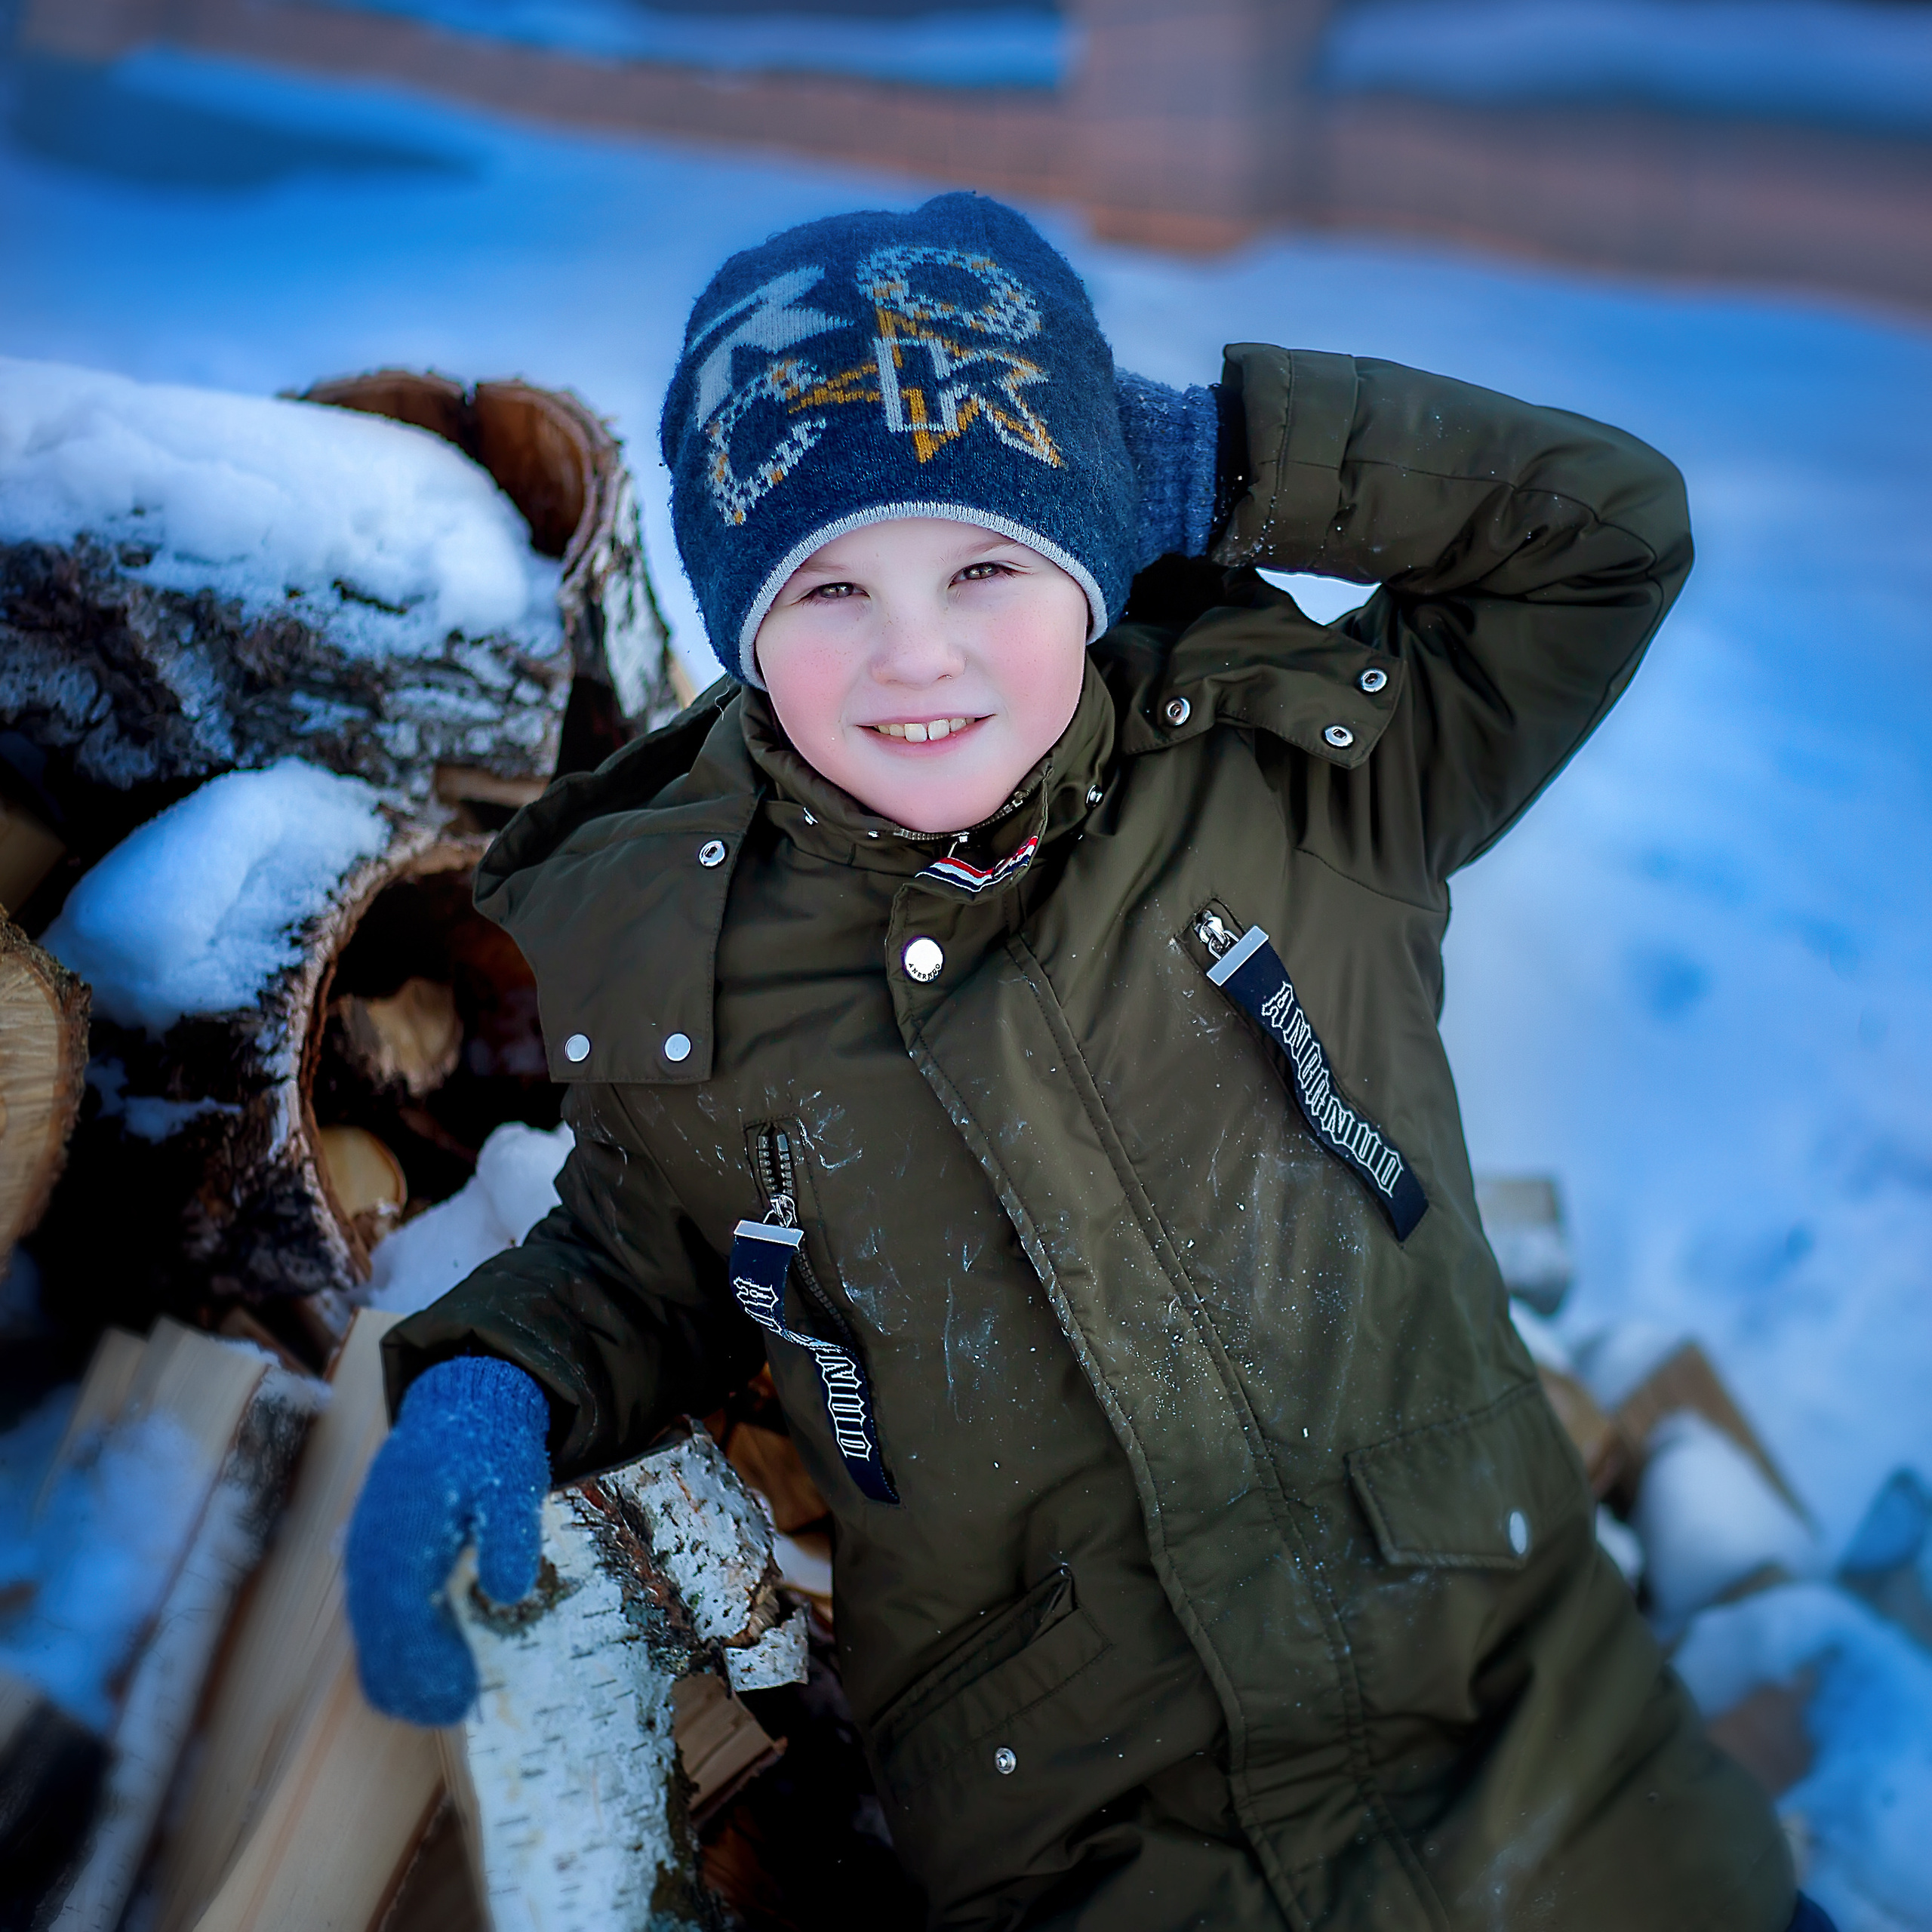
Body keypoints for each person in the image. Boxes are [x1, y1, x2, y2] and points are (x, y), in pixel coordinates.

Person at [346, 192, 1824, 1930]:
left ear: (1095, 545)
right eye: (828, 585)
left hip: (1522, 1731)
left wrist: (1217, 458)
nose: (917, 652)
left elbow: (1602, 529)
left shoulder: (1309, 773)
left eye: (985, 560)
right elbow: (636, 1259)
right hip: (1095, 1824)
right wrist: (492, 1381)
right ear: (742, 631)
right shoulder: (694, 955)